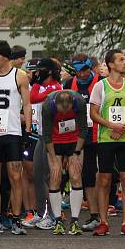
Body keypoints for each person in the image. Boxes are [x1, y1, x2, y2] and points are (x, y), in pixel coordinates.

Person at [89, 50, 125, 236]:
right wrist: (111, 125)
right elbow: (93, 113)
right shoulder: (100, 86)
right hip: (106, 138)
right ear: (111, 65)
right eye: (121, 60)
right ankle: (103, 221)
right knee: (104, 179)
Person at [0, 40, 32, 235]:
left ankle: (15, 219)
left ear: (5, 57)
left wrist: (28, 128)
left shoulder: (19, 76)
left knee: (15, 176)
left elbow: (27, 104)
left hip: (12, 132)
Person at [41, 90, 90, 235]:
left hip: (74, 140)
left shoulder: (79, 102)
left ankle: (74, 220)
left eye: (67, 111)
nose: (63, 114)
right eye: (61, 111)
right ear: (56, 105)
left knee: (75, 175)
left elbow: (83, 129)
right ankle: (58, 221)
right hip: (55, 141)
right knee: (55, 177)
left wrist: (76, 153)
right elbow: (47, 135)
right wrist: (54, 159)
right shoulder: (48, 105)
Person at [62, 54, 102, 231]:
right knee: (86, 176)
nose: (83, 75)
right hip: (79, 137)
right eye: (79, 72)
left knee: (105, 176)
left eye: (85, 70)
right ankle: (94, 215)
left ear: (90, 68)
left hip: (101, 135)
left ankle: (106, 214)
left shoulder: (101, 82)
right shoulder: (69, 84)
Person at [24, 58, 62, 230]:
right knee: (38, 175)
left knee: (50, 176)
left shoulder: (57, 87)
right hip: (40, 135)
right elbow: (33, 97)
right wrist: (40, 89)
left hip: (52, 138)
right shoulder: (39, 85)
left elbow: (41, 97)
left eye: (41, 70)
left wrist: (44, 93)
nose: (37, 73)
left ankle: (54, 216)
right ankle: (40, 213)